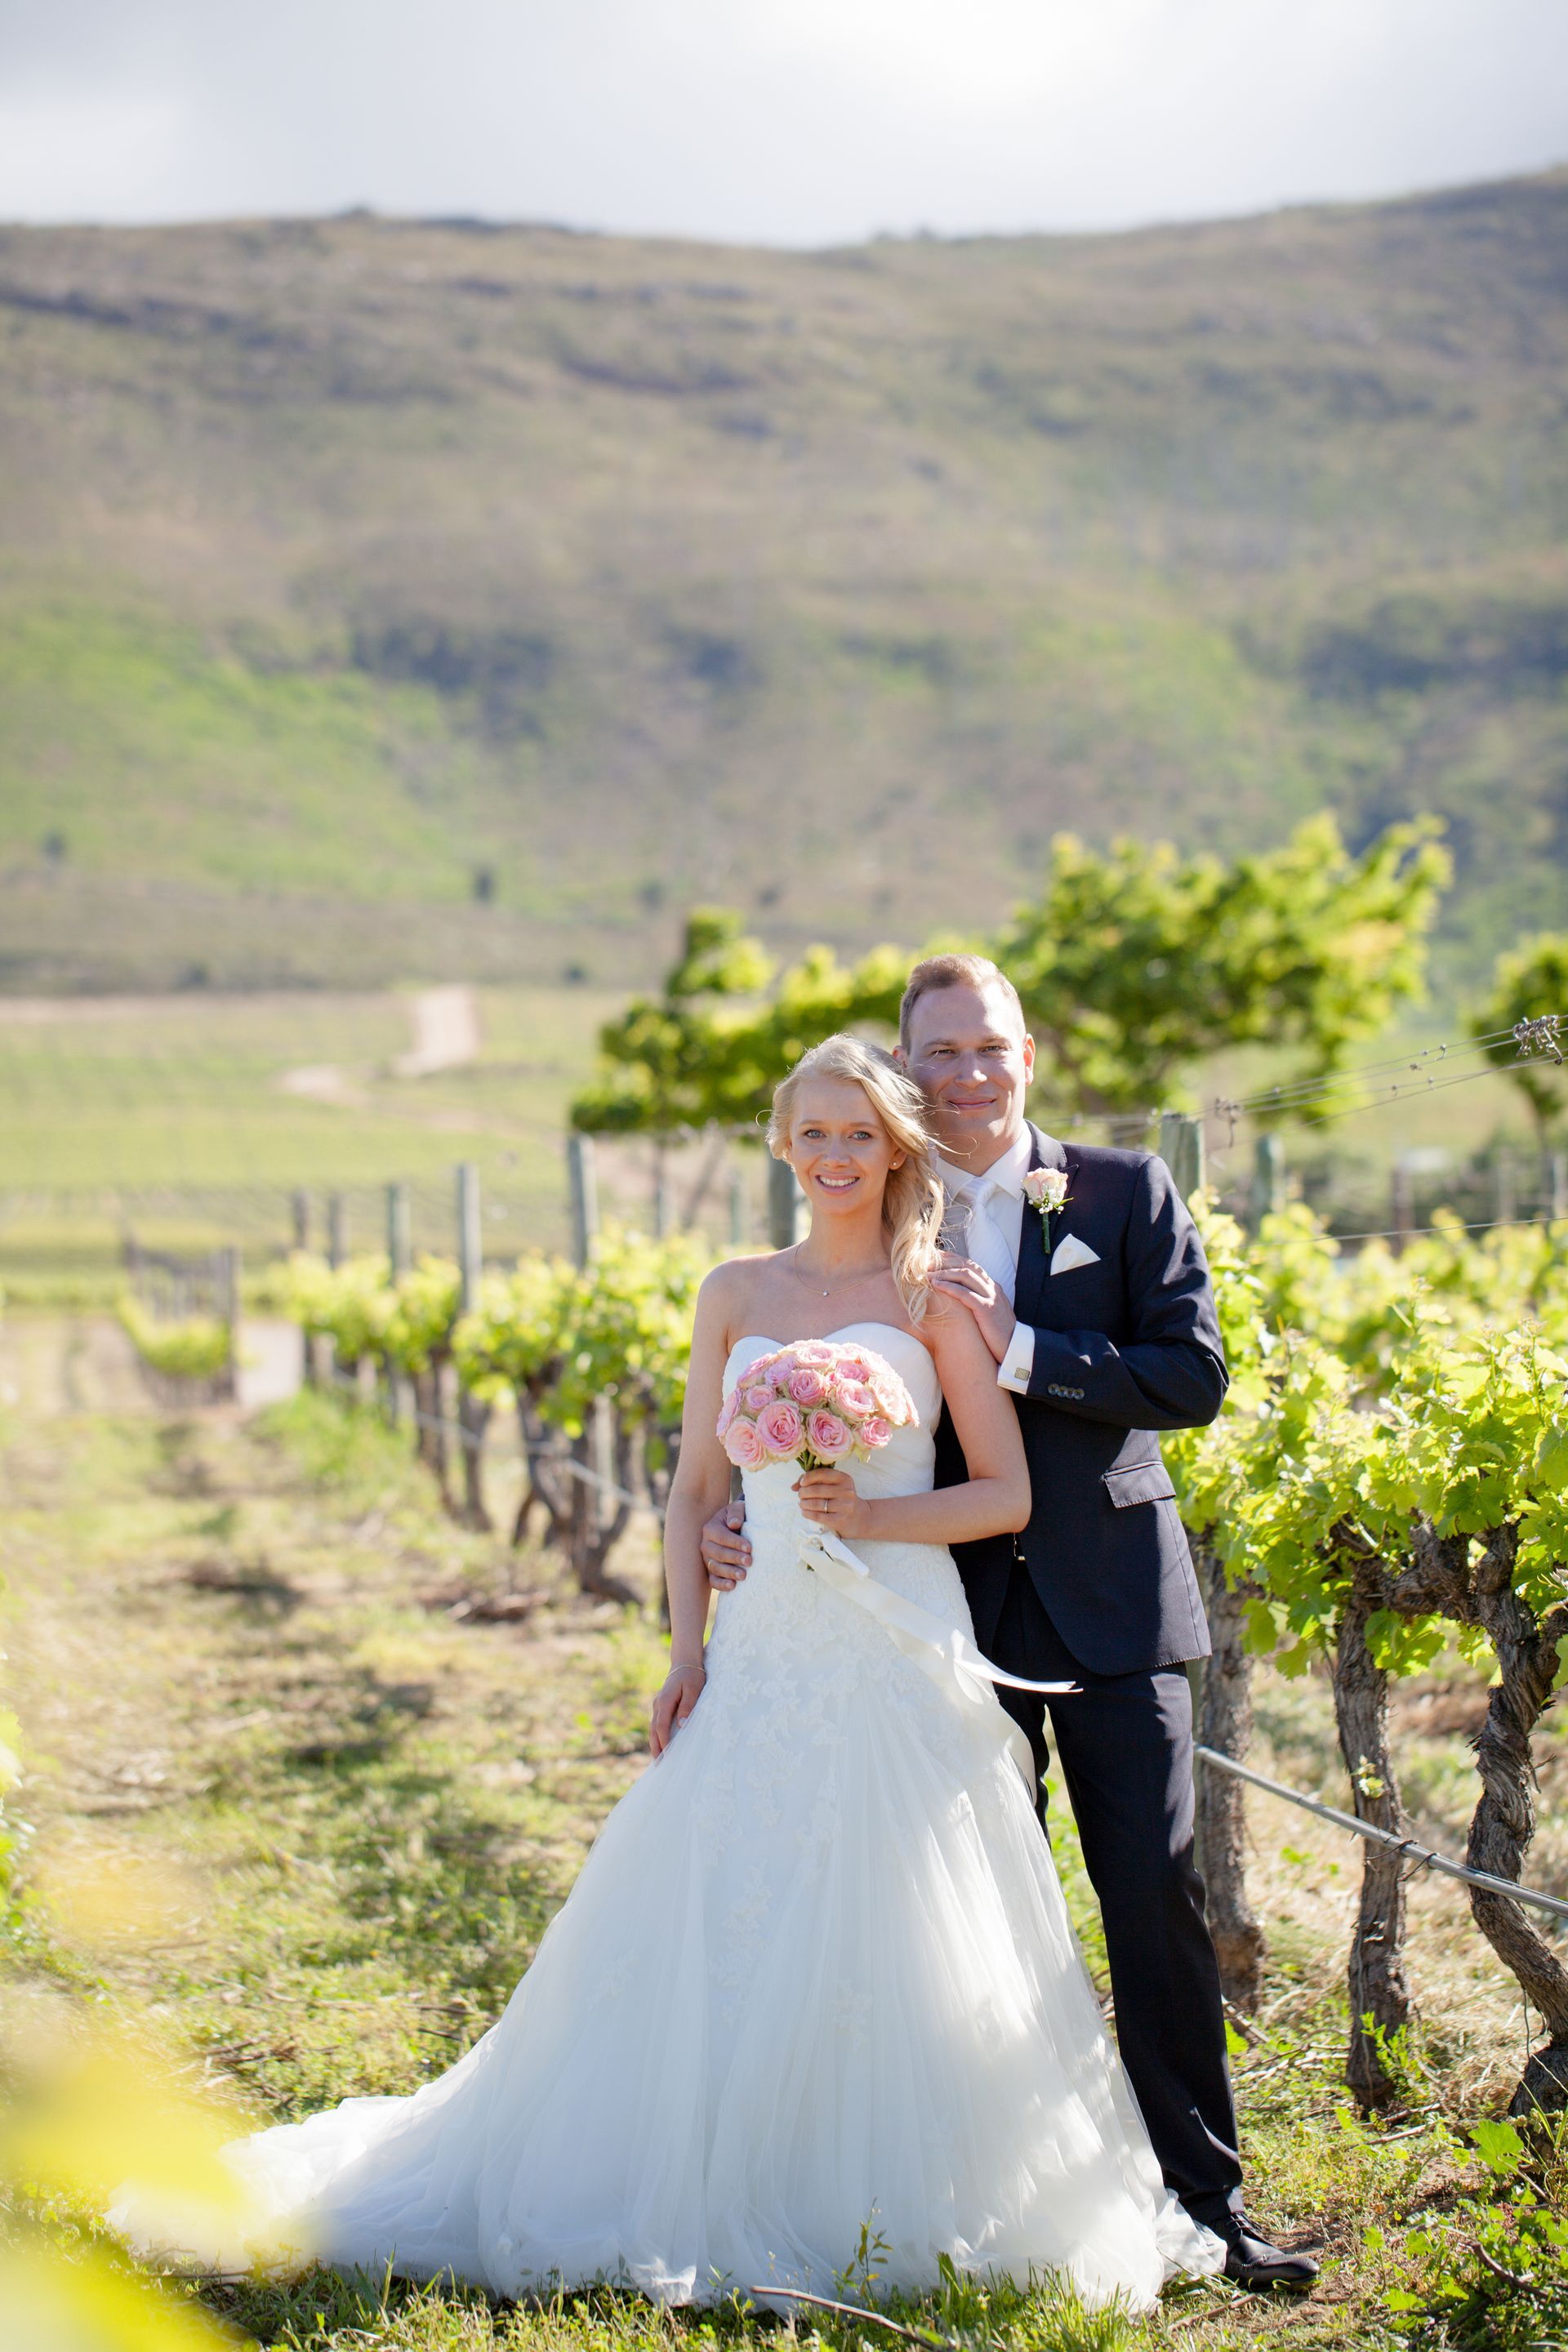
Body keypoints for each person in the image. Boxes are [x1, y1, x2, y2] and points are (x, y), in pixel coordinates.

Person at [114, 1035, 1223, 2312]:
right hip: (762, 1647)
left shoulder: (941, 1294)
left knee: (909, 1903)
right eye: (812, 1134)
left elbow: (1001, 1491)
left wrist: (869, 1521)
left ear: (895, 1147)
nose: (834, 1156)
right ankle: (693, 2178)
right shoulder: (734, 1292)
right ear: (780, 1146)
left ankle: (903, 2195)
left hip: (898, 1635)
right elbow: (696, 1487)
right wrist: (686, 1652)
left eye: (858, 1134)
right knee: (728, 1888)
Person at [702, 962, 1319, 2292]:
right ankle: (980, 2193)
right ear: (907, 1070)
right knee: (960, 1910)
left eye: (989, 1048)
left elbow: (1194, 1377)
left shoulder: (1118, 1190)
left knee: (1153, 1896)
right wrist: (747, 1520)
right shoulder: (882, 1192)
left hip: (1110, 1606)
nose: (967, 1075)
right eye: (940, 1054)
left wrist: (1032, 1348)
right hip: (933, 1616)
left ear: (1028, 1050)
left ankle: (1206, 2203)